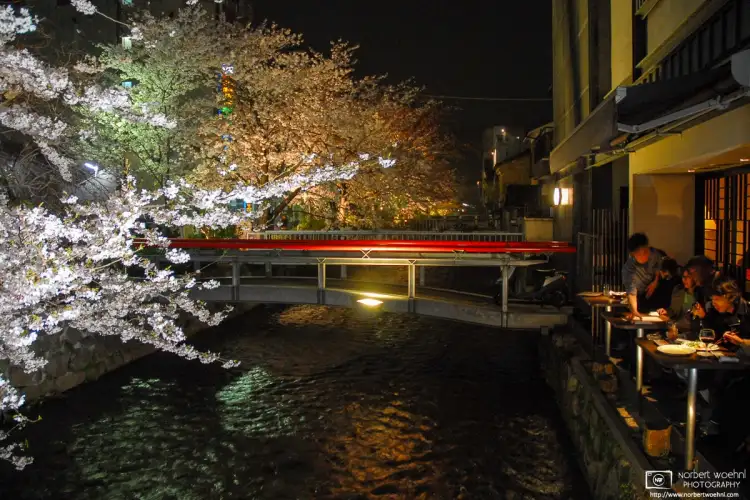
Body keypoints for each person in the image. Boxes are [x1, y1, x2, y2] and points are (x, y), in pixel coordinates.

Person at [622, 233, 666, 318]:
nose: (645, 255)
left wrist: (655, 281)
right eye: (640, 254)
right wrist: (634, 310)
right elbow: (632, 292)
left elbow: (658, 265)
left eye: (646, 251)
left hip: (656, 296)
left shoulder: (654, 254)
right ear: (633, 255)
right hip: (639, 298)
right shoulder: (628, 269)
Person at [656, 266, 697, 334]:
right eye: (683, 277)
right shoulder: (678, 290)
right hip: (677, 330)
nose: (685, 279)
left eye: (688, 277)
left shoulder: (700, 294)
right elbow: (673, 310)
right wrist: (666, 311)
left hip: (693, 332)